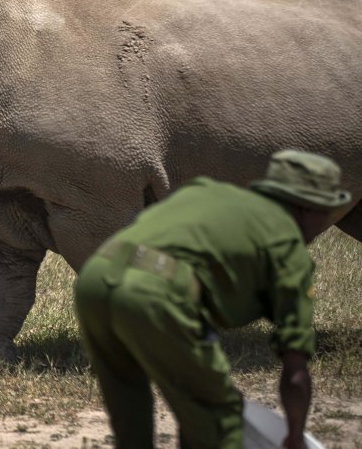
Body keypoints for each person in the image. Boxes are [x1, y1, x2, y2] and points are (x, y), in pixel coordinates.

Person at [74, 150, 351, 449]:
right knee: (219, 418)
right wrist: (295, 435)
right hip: (154, 293)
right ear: (305, 208)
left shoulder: (204, 190)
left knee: (130, 409)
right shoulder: (288, 247)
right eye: (326, 211)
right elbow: (295, 371)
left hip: (94, 276)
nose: (326, 222)